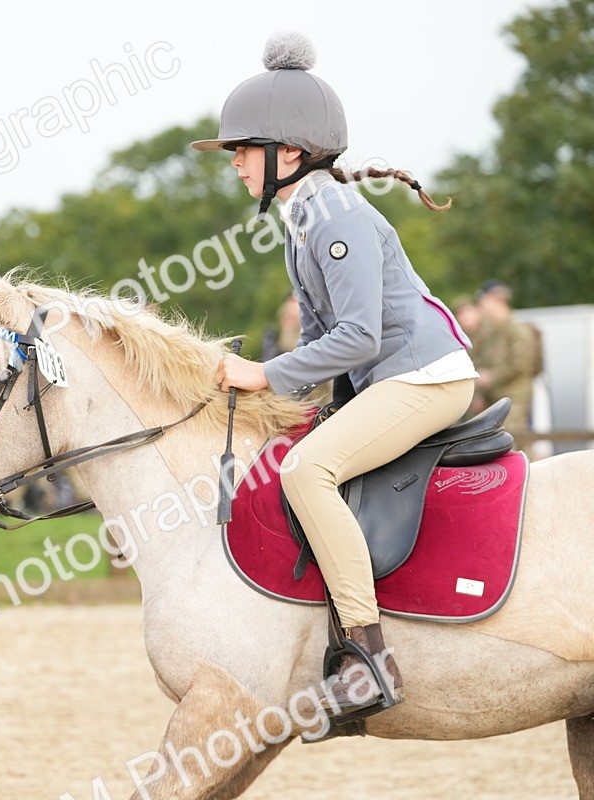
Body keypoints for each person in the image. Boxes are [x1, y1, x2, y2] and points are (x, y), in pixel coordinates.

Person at [198, 32, 476, 720]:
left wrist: (263, 374)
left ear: (289, 152)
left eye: (243, 151)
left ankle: (367, 655)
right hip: (389, 381)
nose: (235, 166)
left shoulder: (335, 216)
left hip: (426, 378)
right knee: (296, 451)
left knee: (306, 472)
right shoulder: (304, 221)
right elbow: (326, 339)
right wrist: (286, 400)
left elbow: (358, 335)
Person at [470, 280, 539, 440]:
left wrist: (491, 377)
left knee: (512, 447)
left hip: (515, 399)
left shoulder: (517, 330)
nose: (482, 307)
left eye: (483, 302)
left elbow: (520, 365)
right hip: (497, 399)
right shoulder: (494, 332)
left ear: (496, 300)